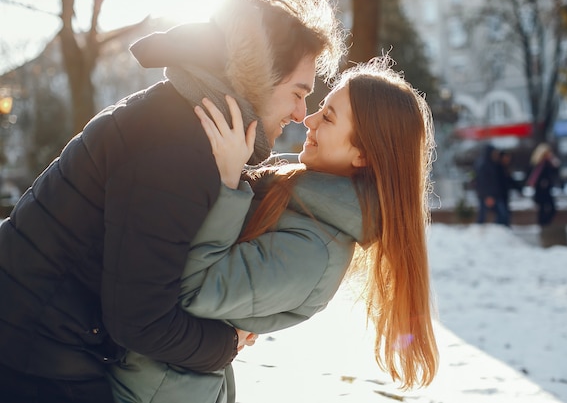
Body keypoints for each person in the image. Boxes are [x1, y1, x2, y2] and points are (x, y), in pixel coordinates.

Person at [0, 0, 345, 403]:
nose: (298, 113)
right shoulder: (177, 149)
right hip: (35, 352)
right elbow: (139, 320)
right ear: (258, 76)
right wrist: (227, 343)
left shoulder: (182, 119)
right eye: (297, 92)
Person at [107, 57, 439, 403]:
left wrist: (227, 181)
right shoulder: (293, 195)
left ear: (363, 155)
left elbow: (192, 288)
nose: (308, 119)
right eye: (320, 107)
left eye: (327, 117)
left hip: (152, 390)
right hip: (143, 369)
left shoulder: (315, 253)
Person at [527, 143, 560, 226]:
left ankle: (545, 223)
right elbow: (533, 176)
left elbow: (555, 173)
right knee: (543, 208)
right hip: (540, 190)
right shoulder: (537, 164)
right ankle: (543, 224)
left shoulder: (549, 163)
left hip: (547, 189)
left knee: (550, 208)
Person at [473, 144, 508, 225]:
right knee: (485, 216)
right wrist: (488, 196)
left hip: (492, 194)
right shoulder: (484, 165)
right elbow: (483, 182)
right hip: (488, 195)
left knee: (500, 215)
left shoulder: (491, 163)